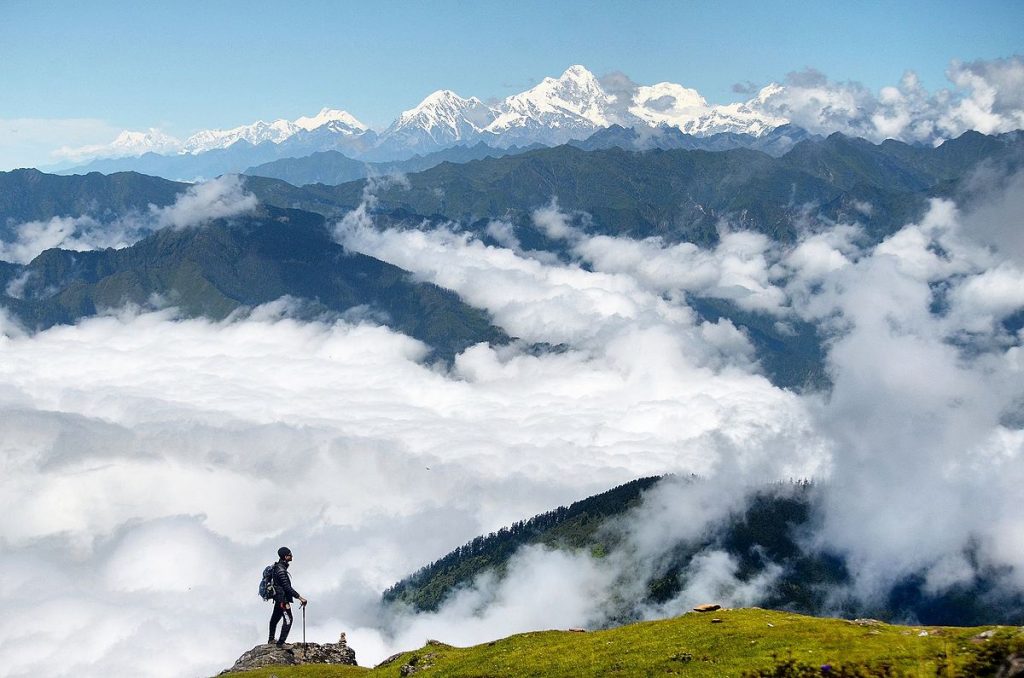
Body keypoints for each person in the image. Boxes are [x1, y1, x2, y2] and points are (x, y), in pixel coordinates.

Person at [268, 546, 307, 649]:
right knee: (288, 619)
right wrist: (300, 598)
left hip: (278, 598)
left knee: (275, 619)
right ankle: (280, 643)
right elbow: (287, 587)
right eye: (290, 555)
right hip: (282, 600)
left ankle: (271, 639)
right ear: (285, 557)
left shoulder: (277, 567)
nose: (292, 556)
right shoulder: (281, 571)